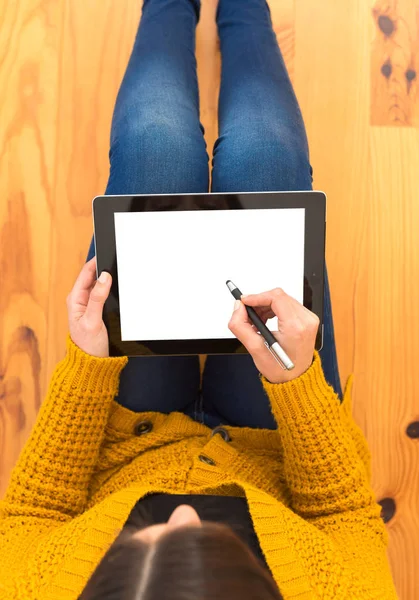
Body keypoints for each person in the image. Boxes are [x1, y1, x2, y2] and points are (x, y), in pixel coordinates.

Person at [0, 0, 398, 599]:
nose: (183, 512)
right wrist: (298, 382)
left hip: (127, 441)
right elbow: (344, 514)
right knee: (267, 156)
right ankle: (246, 11)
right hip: (274, 451)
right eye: (205, 541)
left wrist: (87, 365)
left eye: (142, 540)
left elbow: (34, 513)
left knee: (153, 145)